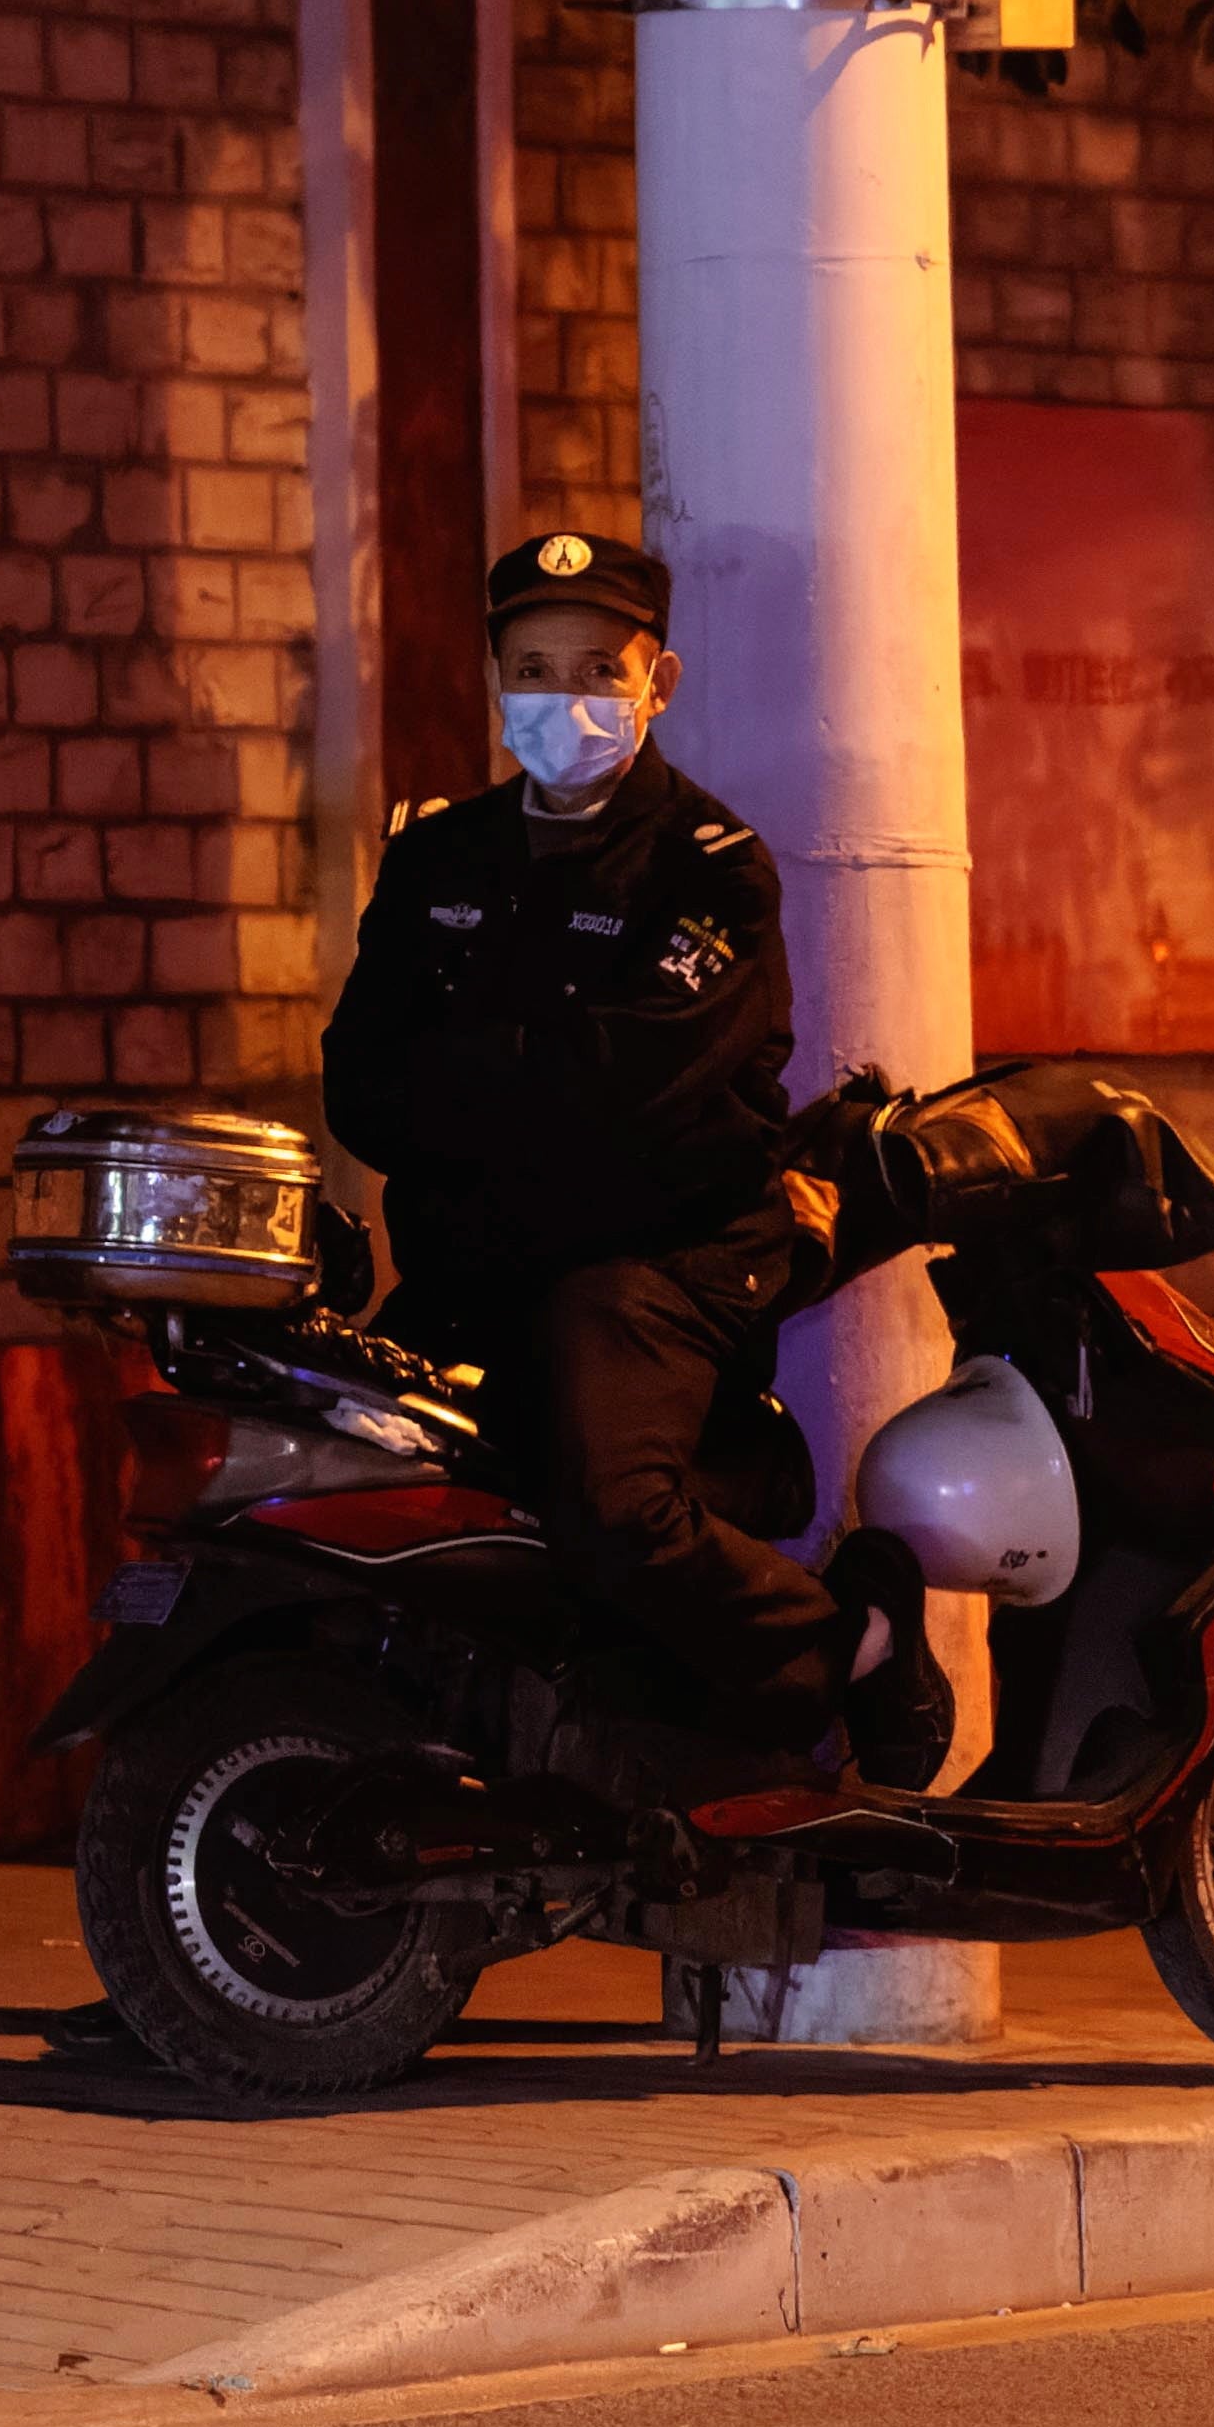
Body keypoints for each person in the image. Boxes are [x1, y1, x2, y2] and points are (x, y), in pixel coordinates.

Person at [316, 529, 926, 1780]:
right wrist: (528, 1076)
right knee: (364, 1492)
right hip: (471, 1262)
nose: (564, 701)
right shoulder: (438, 854)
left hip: (654, 1260)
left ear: (661, 682)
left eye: (598, 668)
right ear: (496, 682)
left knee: (612, 1511)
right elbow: (360, 1088)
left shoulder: (709, 871)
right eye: (534, 669)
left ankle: (846, 1638)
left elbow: (632, 1097)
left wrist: (470, 1078)